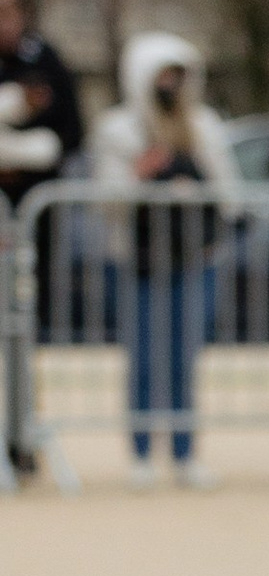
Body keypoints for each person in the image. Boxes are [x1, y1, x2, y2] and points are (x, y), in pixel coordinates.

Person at [90, 30, 241, 484]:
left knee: (184, 359)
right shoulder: (118, 129)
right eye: (162, 75)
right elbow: (105, 200)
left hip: (194, 259)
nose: (170, 86)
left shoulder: (204, 125)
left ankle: (183, 453)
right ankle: (140, 454)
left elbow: (229, 193)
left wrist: (197, 189)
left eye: (178, 75)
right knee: (142, 358)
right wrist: (139, 176)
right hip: (136, 261)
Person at [1, 0, 87, 476]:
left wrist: (29, 157)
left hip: (33, 219)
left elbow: (71, 133)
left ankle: (20, 437)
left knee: (24, 331)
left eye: (11, 11)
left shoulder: (47, 61)